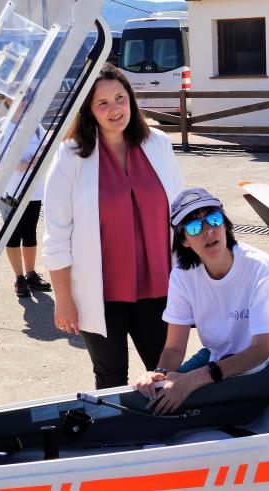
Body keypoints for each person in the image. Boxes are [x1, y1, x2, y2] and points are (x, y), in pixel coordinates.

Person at [43, 64, 184, 389]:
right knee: (110, 377)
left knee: (165, 375)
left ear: (131, 100)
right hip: (99, 291)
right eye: (102, 103)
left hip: (159, 288)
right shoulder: (71, 157)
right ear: (89, 111)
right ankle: (111, 439)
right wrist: (63, 299)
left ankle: (170, 437)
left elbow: (179, 216)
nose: (115, 109)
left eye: (120, 98)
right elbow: (57, 235)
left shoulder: (159, 144)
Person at [132, 189, 269, 414]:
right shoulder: (182, 276)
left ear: (225, 224)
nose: (208, 231)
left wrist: (194, 379)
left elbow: (261, 351)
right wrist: (159, 374)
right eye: (194, 227)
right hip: (216, 357)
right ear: (183, 240)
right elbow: (174, 347)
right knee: (154, 399)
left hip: (261, 367)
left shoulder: (261, 268)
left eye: (213, 219)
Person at [0, 95, 53, 297]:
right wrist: (13, 165)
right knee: (12, 235)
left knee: (30, 233)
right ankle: (19, 278)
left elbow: (47, 150)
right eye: (21, 98)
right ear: (8, 100)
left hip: (33, 190)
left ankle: (31, 275)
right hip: (8, 192)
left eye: (28, 98)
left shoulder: (36, 128)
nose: (25, 102)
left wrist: (37, 159)